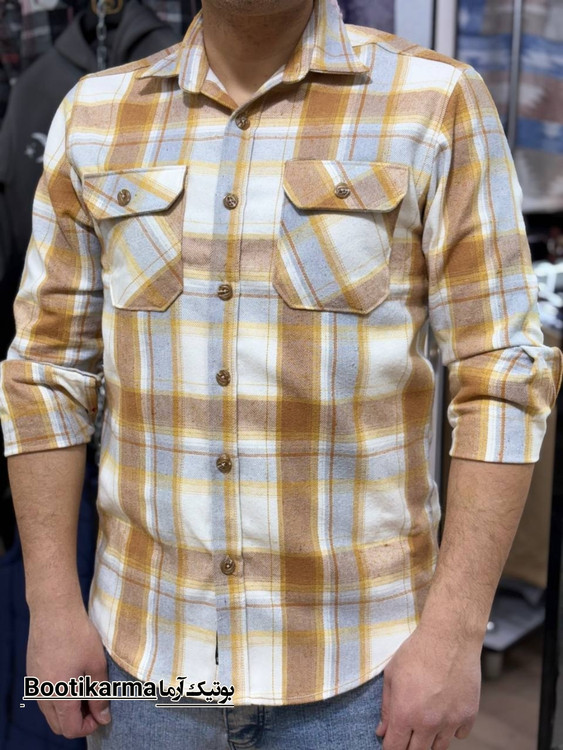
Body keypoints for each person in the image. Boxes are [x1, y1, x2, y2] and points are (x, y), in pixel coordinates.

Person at [0, 0, 561, 748]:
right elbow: (46, 374)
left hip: (365, 671)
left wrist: (456, 633)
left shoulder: (435, 102)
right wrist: (49, 607)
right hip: (143, 665)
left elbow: (502, 377)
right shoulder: (94, 115)